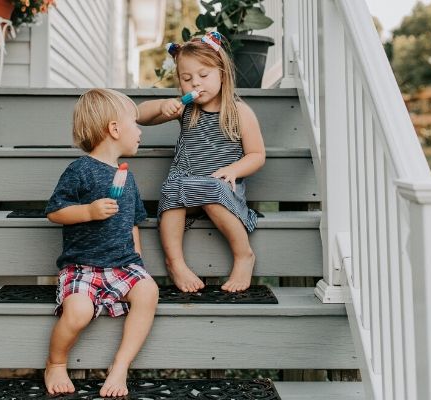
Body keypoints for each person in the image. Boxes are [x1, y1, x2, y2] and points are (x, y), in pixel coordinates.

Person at [44, 88, 159, 397]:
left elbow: (134, 222)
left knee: (149, 290)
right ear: (114, 129)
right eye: (135, 123)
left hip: (122, 265)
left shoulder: (127, 177)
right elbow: (55, 212)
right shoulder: (80, 170)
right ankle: (55, 362)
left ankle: (120, 366)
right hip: (83, 267)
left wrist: (137, 258)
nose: (139, 131)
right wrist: (88, 211)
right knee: (79, 312)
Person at [137, 32, 265, 294]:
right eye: (187, 78)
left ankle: (243, 255)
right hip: (185, 186)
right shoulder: (186, 109)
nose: (195, 83)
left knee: (210, 188)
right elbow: (139, 115)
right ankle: (175, 263)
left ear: (222, 73)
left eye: (203, 76)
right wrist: (163, 106)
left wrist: (233, 170)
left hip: (221, 190)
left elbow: (256, 155)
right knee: (171, 187)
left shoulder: (239, 111)